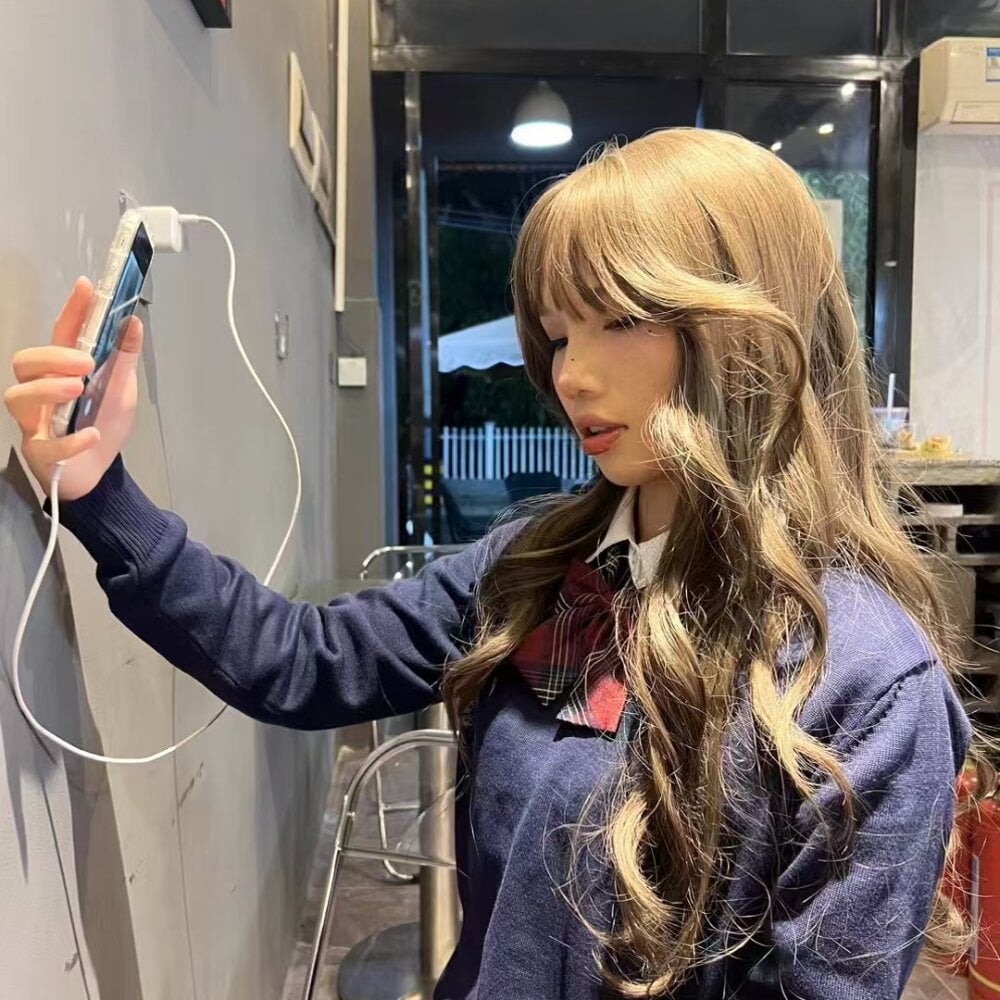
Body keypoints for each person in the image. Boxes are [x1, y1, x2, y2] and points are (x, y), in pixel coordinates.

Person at [5, 128, 973, 999]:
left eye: (617, 319)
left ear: (746, 328)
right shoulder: (536, 565)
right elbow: (301, 659)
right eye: (556, 335)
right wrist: (99, 494)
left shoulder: (865, 683)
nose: (569, 375)